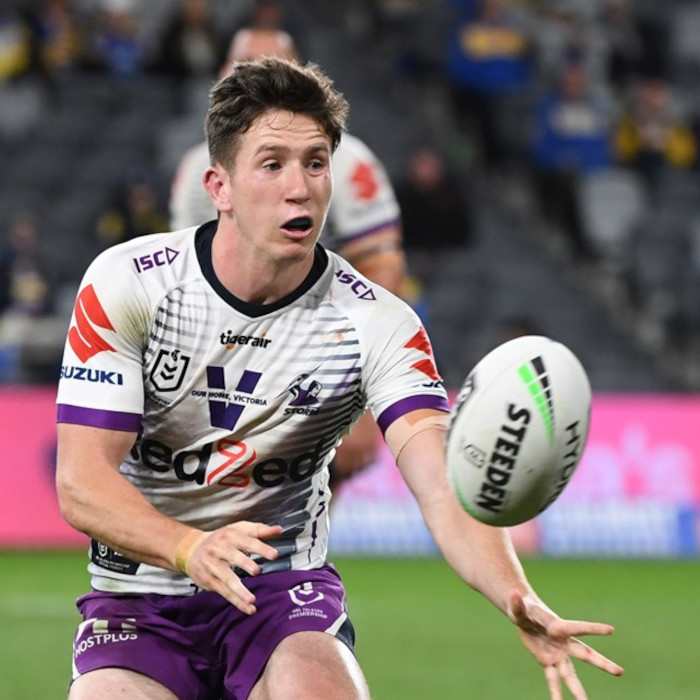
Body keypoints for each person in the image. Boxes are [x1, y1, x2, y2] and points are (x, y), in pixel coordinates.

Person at [55, 55, 622, 700]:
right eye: (272, 164)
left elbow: (441, 484)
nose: (300, 187)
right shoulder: (130, 284)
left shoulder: (377, 322)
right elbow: (81, 483)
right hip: (140, 597)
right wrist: (190, 548)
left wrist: (516, 593)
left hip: (280, 595)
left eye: (316, 163)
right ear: (220, 186)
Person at [170, 24, 405, 488]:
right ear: (223, 75)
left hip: (318, 362)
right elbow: (184, 278)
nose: (258, 76)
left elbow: (382, 267)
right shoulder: (198, 170)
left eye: (273, 66)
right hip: (227, 366)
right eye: (246, 65)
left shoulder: (347, 161)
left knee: (300, 507)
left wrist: (359, 400)